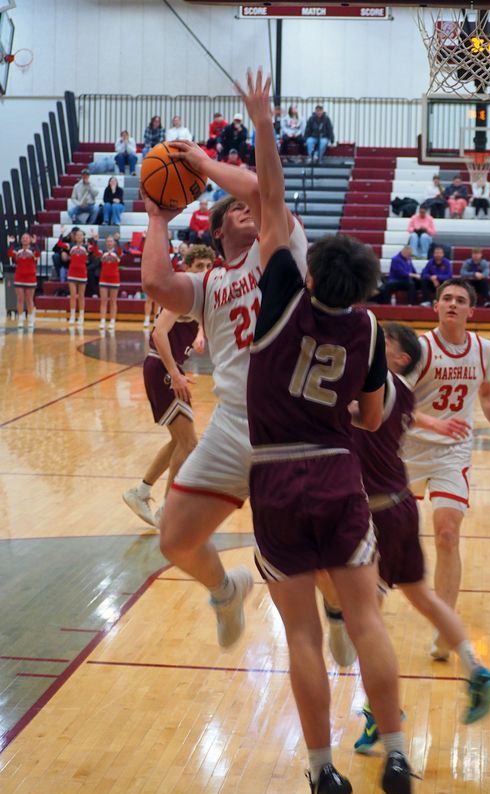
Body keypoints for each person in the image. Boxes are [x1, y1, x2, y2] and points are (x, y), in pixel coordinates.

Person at [240, 67, 412, 794]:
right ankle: (399, 755)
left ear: (310, 275)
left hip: (276, 475)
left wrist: (262, 119)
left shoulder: (281, 293)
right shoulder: (371, 329)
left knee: (305, 635)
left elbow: (271, 199)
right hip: (340, 475)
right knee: (367, 620)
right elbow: (372, 419)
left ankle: (321, 773)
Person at [139, 91, 308, 657]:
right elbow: (158, 285)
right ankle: (224, 589)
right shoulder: (210, 283)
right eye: (233, 211)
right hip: (235, 423)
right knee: (176, 538)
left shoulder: (277, 248)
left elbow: (263, 188)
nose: (246, 210)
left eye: (248, 208)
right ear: (215, 235)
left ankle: (339, 606)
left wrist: (207, 161)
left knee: (311, 559)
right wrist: (157, 218)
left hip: (295, 423)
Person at [346, 324, 490, 753]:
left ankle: (383, 713)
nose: (377, 346)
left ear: (398, 360)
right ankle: (476, 671)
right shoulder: (397, 392)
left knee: (364, 623)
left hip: (375, 512)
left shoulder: (369, 391)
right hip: (400, 505)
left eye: (386, 344)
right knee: (421, 597)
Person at [403, 278, 490, 659]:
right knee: (385, 537)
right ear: (435, 306)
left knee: (447, 533)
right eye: (446, 298)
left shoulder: (483, 349)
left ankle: (443, 624)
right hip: (408, 450)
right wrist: (433, 423)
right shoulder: (419, 348)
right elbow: (395, 401)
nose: (452, 304)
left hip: (453, 453)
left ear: (471, 310)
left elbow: (486, 393)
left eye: (460, 300)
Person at [124, 245, 216, 528]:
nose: (204, 271)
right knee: (188, 442)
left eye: (208, 266)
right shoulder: (182, 292)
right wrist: (175, 373)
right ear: (187, 268)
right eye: (199, 266)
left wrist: (200, 334)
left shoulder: (196, 294)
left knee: (180, 441)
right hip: (162, 369)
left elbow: (197, 318)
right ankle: (168, 509)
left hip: (168, 369)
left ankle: (140, 492)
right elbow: (159, 332)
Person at [7, 232, 39, 329]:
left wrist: (35, 243)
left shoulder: (33, 249)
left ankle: (30, 319)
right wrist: (11, 243)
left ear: (30, 239)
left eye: (26, 238)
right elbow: (9, 253)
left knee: (29, 300)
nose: (25, 239)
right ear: (21, 240)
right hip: (19, 277)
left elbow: (38, 255)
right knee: (20, 299)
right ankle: (20, 319)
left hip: (30, 277)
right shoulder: (17, 250)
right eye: (23, 238)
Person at [67, 228, 99, 326]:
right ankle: (72, 315)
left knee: (81, 296)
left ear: (83, 237)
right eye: (78, 235)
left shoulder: (87, 247)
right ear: (75, 237)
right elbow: (59, 245)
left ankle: (81, 316)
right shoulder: (71, 246)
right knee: (73, 295)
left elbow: (96, 252)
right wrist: (62, 234)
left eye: (81, 235)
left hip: (82, 273)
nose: (79, 237)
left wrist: (95, 240)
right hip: (72, 273)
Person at [98, 234, 123, 331]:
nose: (109, 243)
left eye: (111, 241)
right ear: (105, 243)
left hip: (114, 279)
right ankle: (102, 321)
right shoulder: (102, 253)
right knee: (103, 301)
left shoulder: (117, 252)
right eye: (108, 241)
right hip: (103, 279)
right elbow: (95, 252)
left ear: (114, 243)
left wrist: (118, 241)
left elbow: (121, 251)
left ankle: (112, 321)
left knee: (113, 301)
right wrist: (94, 241)